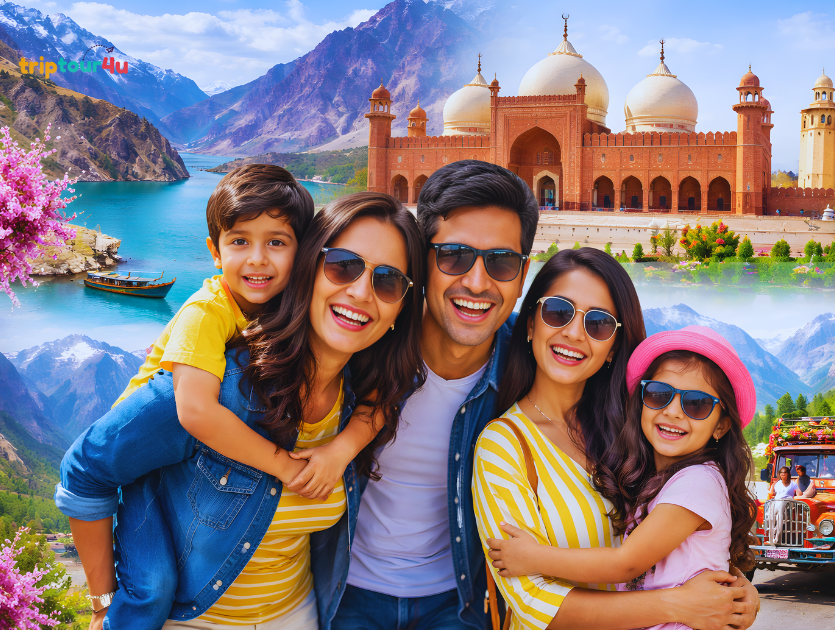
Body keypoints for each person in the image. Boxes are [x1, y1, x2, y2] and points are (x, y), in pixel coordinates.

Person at [334, 160, 759, 630]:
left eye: (499, 262)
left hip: (459, 605)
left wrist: (727, 585)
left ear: (520, 276)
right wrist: (678, 606)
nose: (476, 282)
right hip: (348, 594)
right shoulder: (364, 343)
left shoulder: (628, 432)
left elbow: (679, 520)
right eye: (454, 255)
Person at [56, 193, 427, 630]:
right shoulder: (216, 388)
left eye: (387, 281)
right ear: (308, 269)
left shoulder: (364, 397)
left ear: (402, 306)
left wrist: (342, 449)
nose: (361, 292)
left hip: (300, 614)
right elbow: (85, 471)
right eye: (342, 265)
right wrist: (102, 604)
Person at [112, 164, 375, 503]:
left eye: (276, 242)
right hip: (136, 458)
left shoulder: (284, 305)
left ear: (303, 252)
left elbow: (383, 391)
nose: (257, 259)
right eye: (240, 241)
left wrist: (342, 448)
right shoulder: (206, 312)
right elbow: (196, 411)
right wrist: (284, 467)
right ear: (215, 253)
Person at [480, 316, 759, 630]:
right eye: (658, 393)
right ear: (641, 399)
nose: (673, 410)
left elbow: (627, 563)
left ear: (721, 424)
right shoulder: (659, 478)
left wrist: (533, 558)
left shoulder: (697, 482)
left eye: (697, 404)